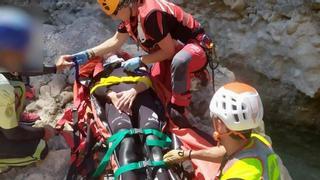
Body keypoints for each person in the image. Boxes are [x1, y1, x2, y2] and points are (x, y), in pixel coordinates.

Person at [56, 0, 212, 119]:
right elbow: (116, 41)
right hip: (173, 48)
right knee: (157, 90)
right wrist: (85, 55)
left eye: (115, 13)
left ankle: (179, 109)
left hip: (194, 46)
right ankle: (186, 77)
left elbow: (169, 51)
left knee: (180, 62)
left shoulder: (149, 15)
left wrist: (141, 60)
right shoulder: (132, 15)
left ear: (125, 4)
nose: (113, 17)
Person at [163, 82, 292, 180]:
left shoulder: (238, 176)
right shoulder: (259, 141)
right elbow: (226, 152)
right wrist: (188, 154)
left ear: (219, 124)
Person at [89, 55, 169, 179]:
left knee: (151, 139)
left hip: (140, 94)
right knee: (125, 140)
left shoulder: (135, 65)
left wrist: (133, 91)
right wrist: (112, 95)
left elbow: (148, 80)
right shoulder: (101, 74)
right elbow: (95, 89)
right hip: (117, 100)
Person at [0, 7, 57, 172]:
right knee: (39, 149)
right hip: (7, 131)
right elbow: (13, 135)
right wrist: (41, 131)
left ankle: (8, 121)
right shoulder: (2, 86)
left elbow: (19, 67)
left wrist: (54, 68)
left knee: (14, 81)